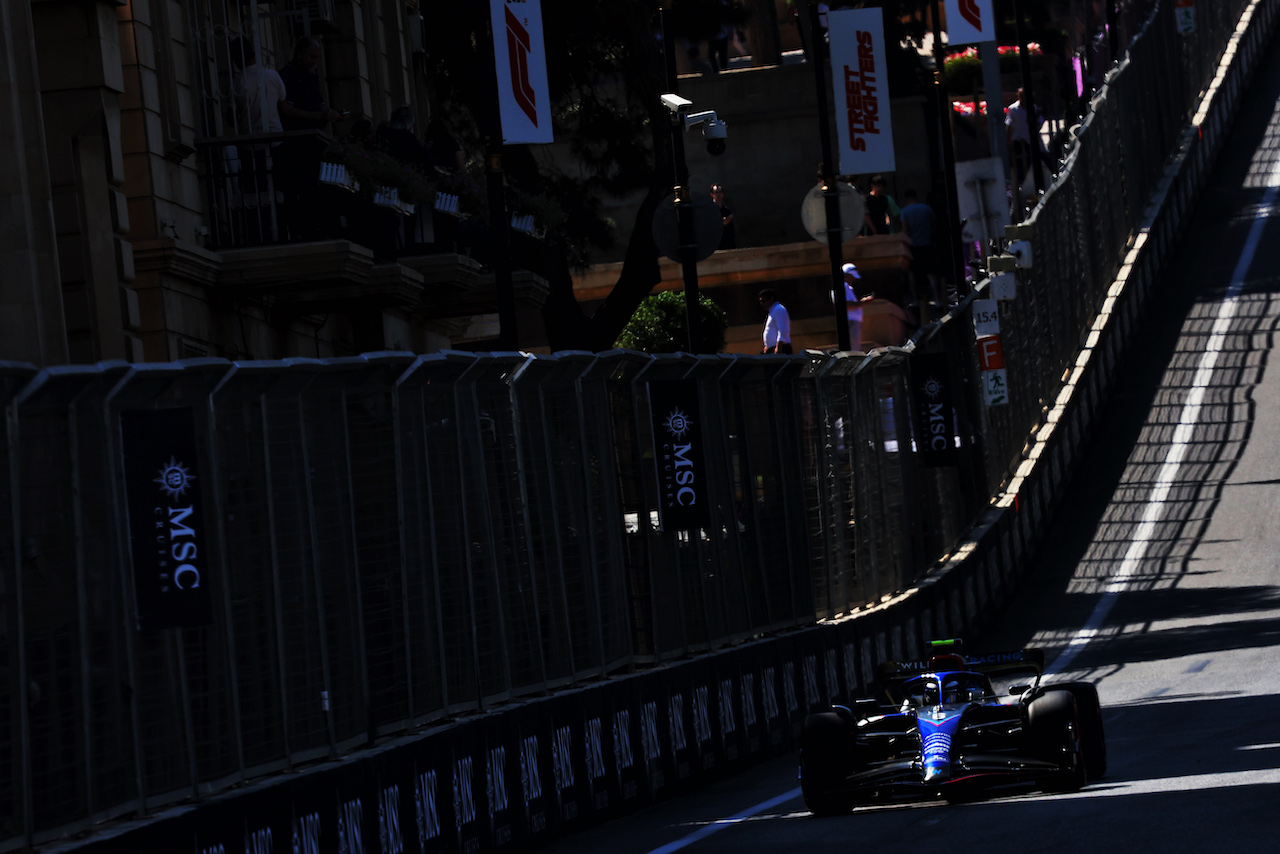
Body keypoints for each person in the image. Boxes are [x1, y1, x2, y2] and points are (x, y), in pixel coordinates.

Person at [276, 36, 345, 239]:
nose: (314, 62)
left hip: (315, 142)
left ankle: (321, 227)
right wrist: (321, 115)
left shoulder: (311, 77)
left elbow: (319, 106)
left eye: (316, 58)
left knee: (317, 188)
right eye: (311, 57)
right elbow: (289, 111)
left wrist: (331, 114)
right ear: (299, 55)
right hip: (297, 144)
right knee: (300, 190)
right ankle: (303, 231)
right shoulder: (286, 76)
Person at [899, 188, 942, 309]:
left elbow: (905, 230)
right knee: (931, 273)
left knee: (912, 274)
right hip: (927, 244)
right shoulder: (926, 209)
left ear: (907, 199)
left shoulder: (905, 211)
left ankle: (915, 300)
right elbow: (934, 226)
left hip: (914, 246)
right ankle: (938, 299)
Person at [841, 263, 875, 350]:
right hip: (851, 322)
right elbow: (846, 305)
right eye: (852, 276)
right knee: (853, 349)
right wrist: (863, 303)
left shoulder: (847, 287)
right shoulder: (843, 286)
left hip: (853, 322)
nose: (853, 279)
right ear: (846, 275)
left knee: (855, 347)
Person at [758, 289, 791, 354]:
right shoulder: (772, 311)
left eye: (764, 301)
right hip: (773, 348)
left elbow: (783, 329)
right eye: (761, 301)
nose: (762, 304)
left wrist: (779, 347)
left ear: (771, 299)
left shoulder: (778, 309)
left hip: (781, 348)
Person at [710, 183, 735, 249]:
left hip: (727, 243)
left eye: (720, 192)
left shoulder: (726, 210)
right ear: (712, 194)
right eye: (716, 192)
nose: (718, 194)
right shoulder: (709, 210)